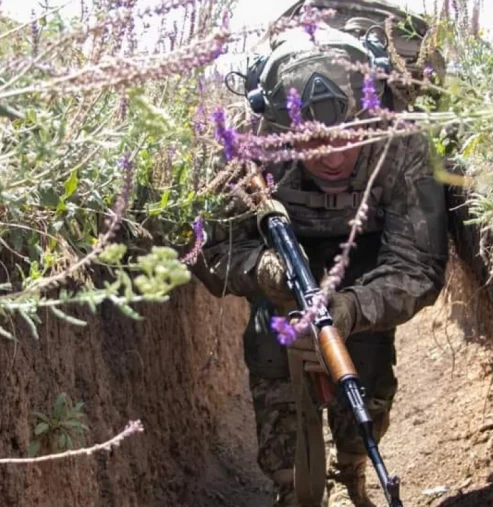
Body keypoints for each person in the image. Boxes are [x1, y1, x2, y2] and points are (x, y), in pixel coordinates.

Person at [190, 24, 449, 507]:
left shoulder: (401, 142)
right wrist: (264, 270)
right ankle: (293, 486)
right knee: (271, 351)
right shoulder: (245, 146)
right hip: (280, 276)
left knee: (367, 368)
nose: (332, 158)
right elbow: (209, 249)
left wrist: (352, 309)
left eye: (346, 136)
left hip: (365, 265)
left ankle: (352, 464)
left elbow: (419, 266)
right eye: (312, 142)